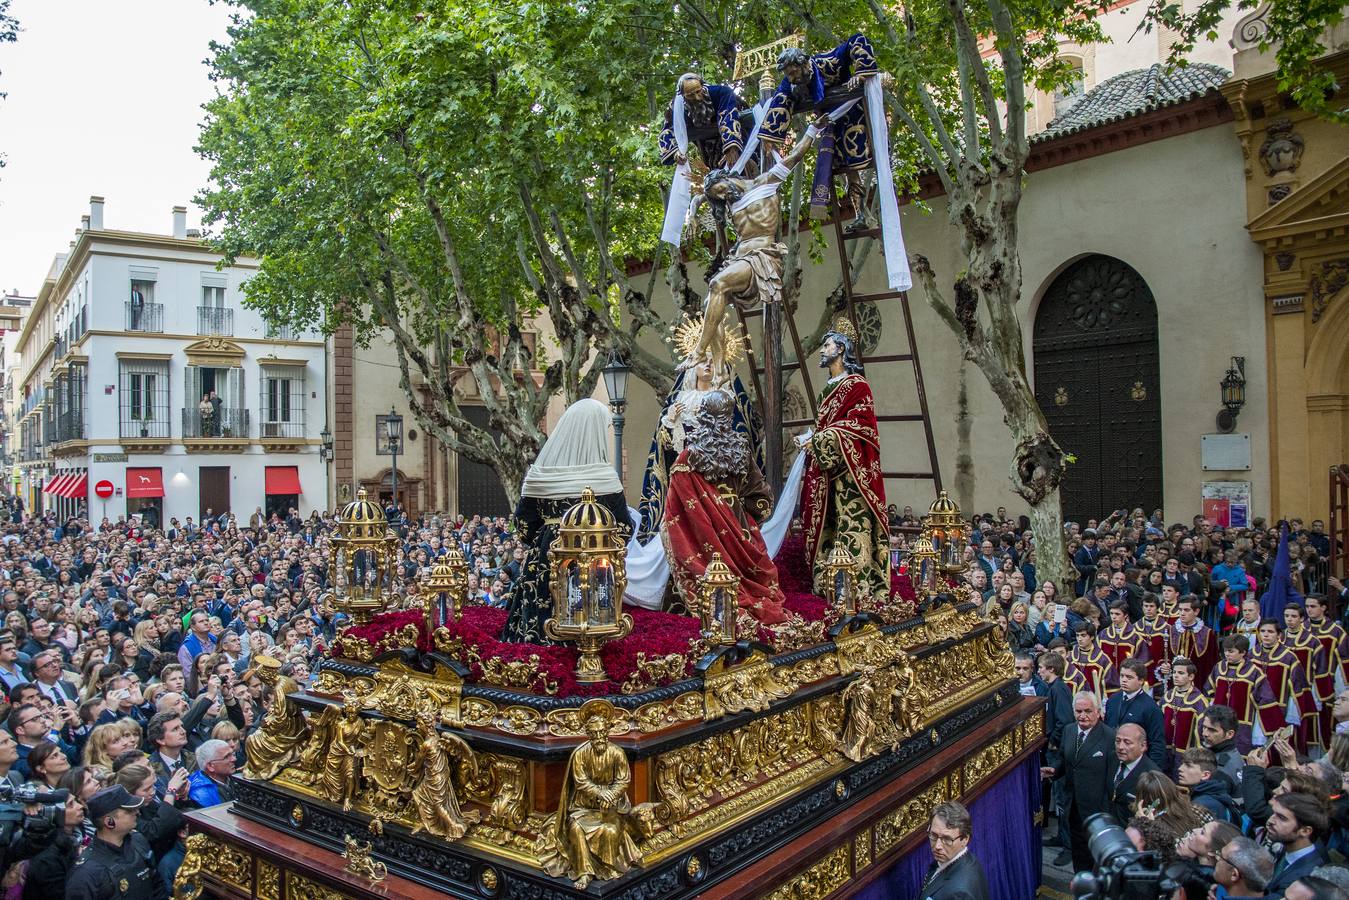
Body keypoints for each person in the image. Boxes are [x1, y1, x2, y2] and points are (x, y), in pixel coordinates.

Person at [501, 399, 629, 644]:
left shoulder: (540, 476)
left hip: (546, 560)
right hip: (596, 563)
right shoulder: (605, 478)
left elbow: (524, 525)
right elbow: (623, 529)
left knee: (540, 627)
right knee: (595, 627)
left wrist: (549, 537)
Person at [663, 388, 786, 625]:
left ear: (702, 417)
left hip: (699, 536)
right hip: (741, 531)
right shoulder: (741, 450)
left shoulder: (688, 457)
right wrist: (747, 522)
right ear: (730, 417)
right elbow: (761, 497)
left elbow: (675, 511)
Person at [798, 320, 890, 601]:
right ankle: (830, 583)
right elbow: (829, 426)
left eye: (827, 345)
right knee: (830, 525)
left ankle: (857, 586)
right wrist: (812, 438)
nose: (822, 351)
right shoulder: (828, 388)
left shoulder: (857, 385)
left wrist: (821, 440)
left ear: (841, 349)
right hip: (829, 470)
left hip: (852, 472)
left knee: (853, 526)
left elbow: (861, 427)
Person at [1043, 691, 1115, 874]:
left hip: (1097, 810)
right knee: (1079, 852)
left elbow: (1112, 778)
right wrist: (1055, 770)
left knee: (1097, 857)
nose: (1083, 716)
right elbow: (1064, 759)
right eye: (1078, 711)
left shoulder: (1109, 737)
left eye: (1088, 711)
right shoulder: (1068, 730)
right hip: (1073, 806)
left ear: (1098, 712)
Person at [64, 784, 167, 900]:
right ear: (109, 822)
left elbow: (157, 885)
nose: (137, 812)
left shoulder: (138, 841)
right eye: (129, 811)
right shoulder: (86, 873)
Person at [1208, 635, 1284, 753]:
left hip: (1242, 723)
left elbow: (1265, 699)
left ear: (1243, 652)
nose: (1227, 654)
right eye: (1225, 651)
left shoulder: (1254, 672)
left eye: (1231, 651)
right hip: (1218, 721)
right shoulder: (1218, 667)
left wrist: (1273, 725)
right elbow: (1209, 689)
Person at [917, 801, 988, 900]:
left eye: (947, 839)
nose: (937, 846)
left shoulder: (959, 893)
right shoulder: (964, 859)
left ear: (965, 839)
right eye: (933, 835)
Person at [1264, 792, 1330, 898]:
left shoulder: (1306, 877)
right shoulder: (1287, 846)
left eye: (1281, 818)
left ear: (1305, 831)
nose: (1271, 821)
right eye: (1274, 813)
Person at [1104, 659, 1166, 768]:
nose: (1124, 680)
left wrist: (1151, 772)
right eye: (1122, 676)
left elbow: (1157, 745)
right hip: (1112, 761)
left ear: (1141, 681)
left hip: (1137, 765)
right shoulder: (1113, 700)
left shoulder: (1151, 708)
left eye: (1129, 677)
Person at [1109, 723, 1160, 823]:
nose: (1120, 747)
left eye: (1127, 743)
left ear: (1143, 746)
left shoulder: (1151, 775)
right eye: (1117, 741)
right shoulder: (1111, 759)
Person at [1177, 747, 1239, 823]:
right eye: (1182, 764)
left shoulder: (1202, 806)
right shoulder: (1213, 794)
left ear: (1205, 775)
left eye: (1188, 766)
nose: (1180, 768)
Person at [1163, 657, 1209, 759]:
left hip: (1187, 756)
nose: (1175, 676)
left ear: (1191, 676)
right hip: (1165, 753)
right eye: (1174, 672)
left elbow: (1202, 733)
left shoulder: (1199, 702)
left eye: (1181, 673)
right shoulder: (1167, 697)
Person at [185, 739, 235, 807]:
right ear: (210, 766)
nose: (234, 759)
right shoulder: (200, 793)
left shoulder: (234, 778)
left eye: (232, 754)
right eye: (226, 757)